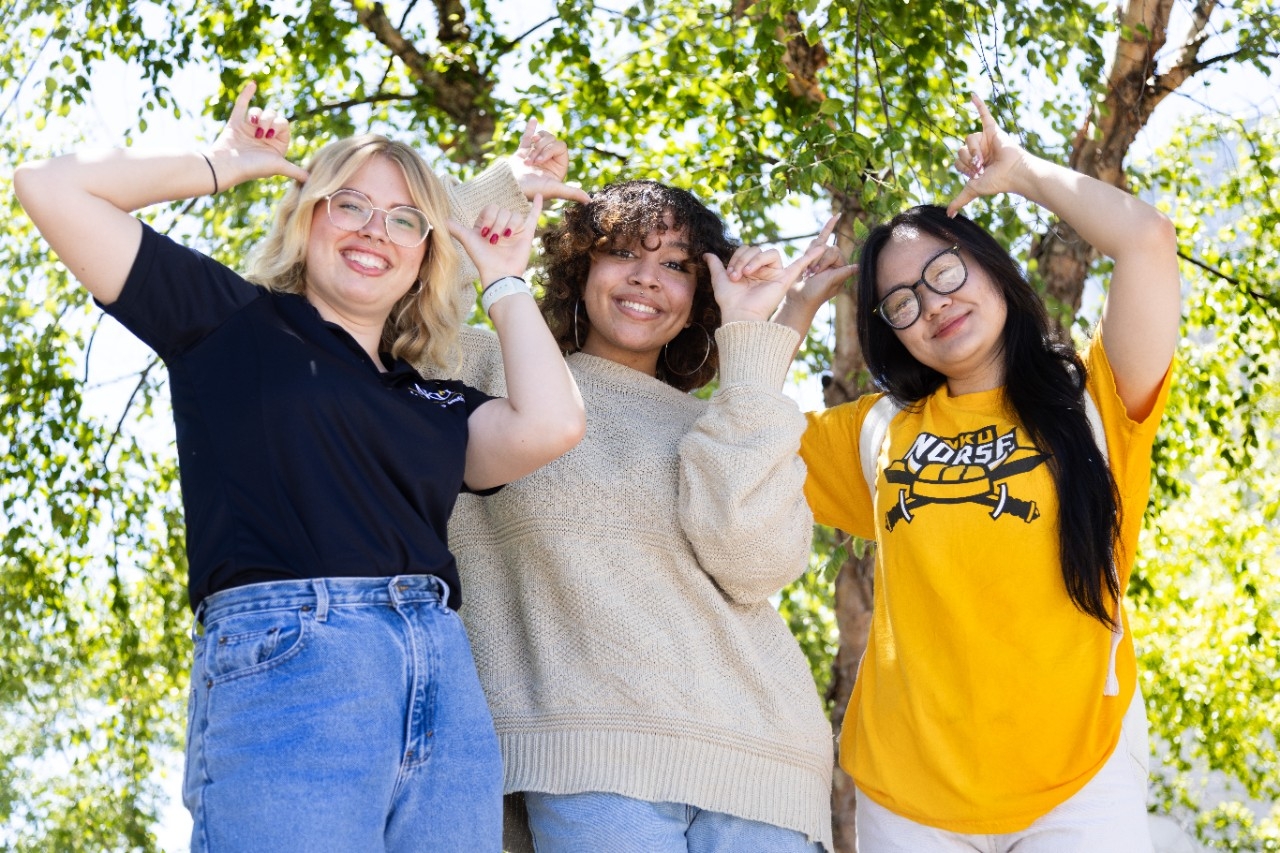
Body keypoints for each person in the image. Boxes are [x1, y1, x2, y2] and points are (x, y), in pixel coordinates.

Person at [14, 82, 585, 852]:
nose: (373, 232)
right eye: (349, 204)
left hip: (441, 677)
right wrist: (223, 162)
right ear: (308, 215)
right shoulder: (230, 322)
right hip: (293, 667)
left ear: (424, 256)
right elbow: (50, 187)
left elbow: (552, 422)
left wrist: (503, 272)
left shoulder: (431, 400)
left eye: (403, 220)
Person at [780, 94, 1180, 851]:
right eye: (900, 301)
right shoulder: (875, 430)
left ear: (989, 266)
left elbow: (1148, 239)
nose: (932, 303)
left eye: (943, 269)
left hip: (1080, 778)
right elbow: (737, 445)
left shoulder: (1095, 397)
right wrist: (791, 314)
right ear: (891, 333)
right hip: (906, 793)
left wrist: (1022, 171)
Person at [431, 174, 855, 852]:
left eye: (676, 264)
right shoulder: (489, 365)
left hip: (762, 754)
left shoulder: (723, 417)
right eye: (624, 251)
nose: (648, 277)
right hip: (585, 755)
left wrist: (752, 351)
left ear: (700, 296)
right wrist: (505, 186)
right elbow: (380, 273)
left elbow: (755, 564)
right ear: (580, 265)